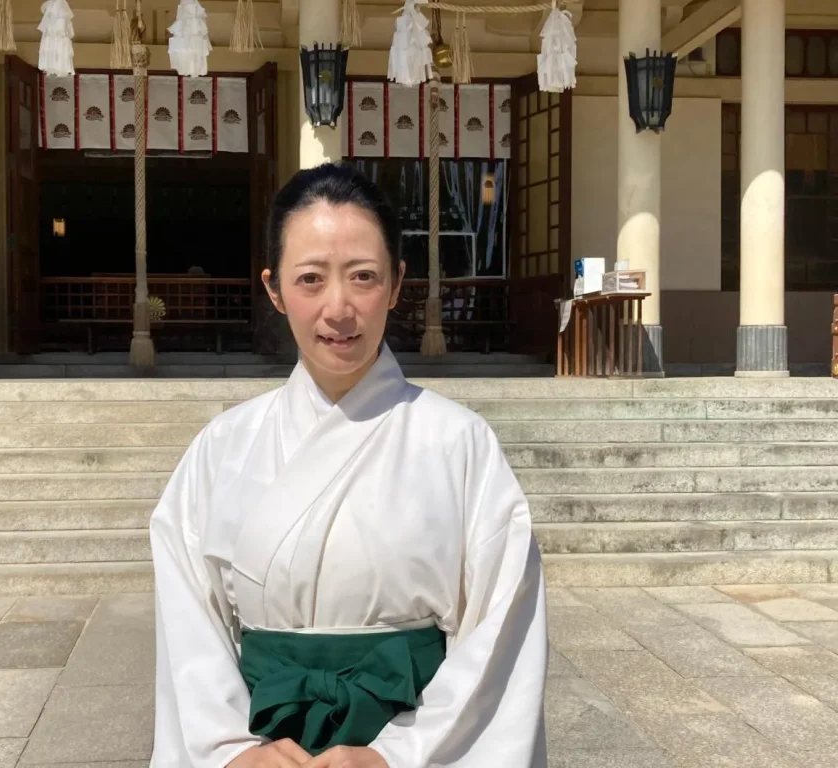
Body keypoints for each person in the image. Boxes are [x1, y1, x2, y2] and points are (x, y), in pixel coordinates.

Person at [150, 163, 547, 768]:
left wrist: (397, 756)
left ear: (395, 284)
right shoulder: (221, 448)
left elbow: (500, 633)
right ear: (274, 289)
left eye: (363, 277)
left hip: (414, 744)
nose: (338, 308)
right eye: (310, 279)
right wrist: (229, 751)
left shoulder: (459, 443)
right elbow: (189, 627)